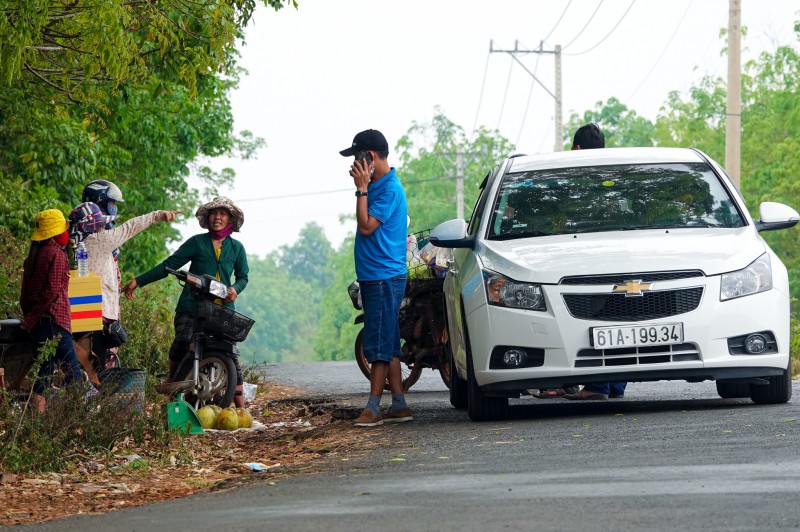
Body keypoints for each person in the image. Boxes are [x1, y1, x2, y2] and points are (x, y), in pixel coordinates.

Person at [122, 197, 249, 407]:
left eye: (223, 214)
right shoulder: (197, 242)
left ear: (230, 220)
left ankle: (242, 410)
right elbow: (168, 265)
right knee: (182, 341)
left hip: (222, 311)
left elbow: (243, 277)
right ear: (208, 218)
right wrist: (138, 281)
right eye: (214, 213)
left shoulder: (237, 248)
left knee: (231, 355)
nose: (217, 217)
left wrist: (235, 289)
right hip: (192, 306)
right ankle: (172, 378)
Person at [340, 129, 410, 427]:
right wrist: (365, 186)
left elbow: (367, 226)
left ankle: (373, 408)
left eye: (358, 157)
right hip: (375, 275)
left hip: (384, 276)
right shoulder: (378, 185)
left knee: (379, 343)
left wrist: (361, 188)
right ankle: (399, 404)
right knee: (389, 340)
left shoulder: (389, 188)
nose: (354, 163)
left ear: (369, 156)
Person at [68, 202, 180, 375]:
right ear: (92, 225)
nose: (103, 225)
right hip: (98, 314)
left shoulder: (71, 243)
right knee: (96, 367)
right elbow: (131, 227)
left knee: (77, 364)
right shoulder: (100, 240)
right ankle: (93, 399)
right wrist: (157, 215)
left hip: (76, 313)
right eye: (99, 222)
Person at [564, 123, 627, 401]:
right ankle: (615, 386)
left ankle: (597, 386)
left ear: (576, 148)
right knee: (620, 323)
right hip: (623, 260)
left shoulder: (575, 180)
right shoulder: (615, 175)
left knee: (592, 323)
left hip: (588, 263)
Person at [20, 209, 87, 412]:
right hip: (54, 323)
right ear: (57, 234)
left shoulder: (36, 255)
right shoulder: (57, 255)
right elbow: (51, 293)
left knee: (45, 373)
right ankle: (78, 421)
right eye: (65, 229)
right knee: (74, 373)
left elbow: (25, 295)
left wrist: (30, 318)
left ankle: (38, 422)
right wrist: (32, 319)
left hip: (43, 324)